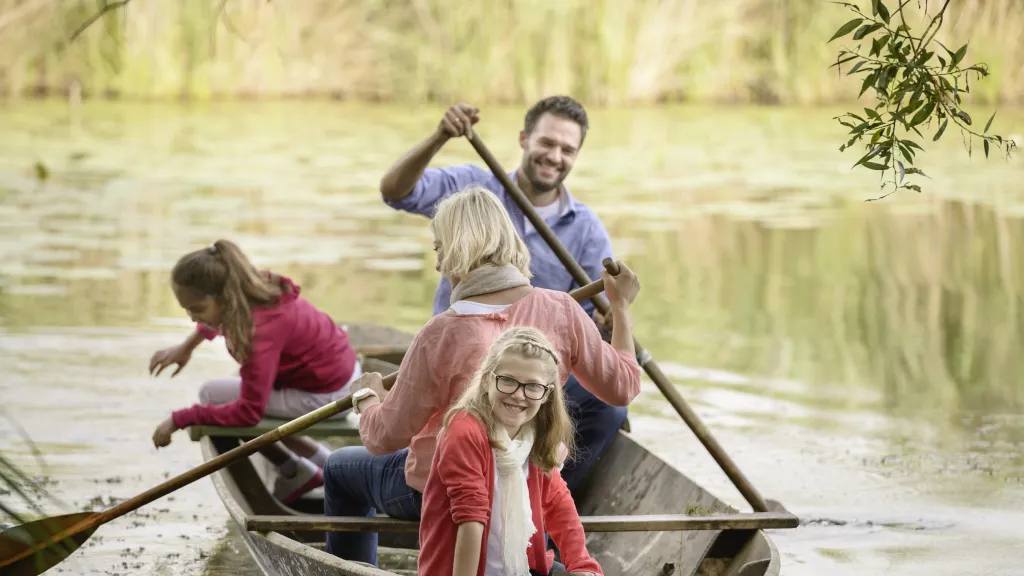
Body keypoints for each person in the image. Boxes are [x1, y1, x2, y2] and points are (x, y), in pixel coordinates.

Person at [323, 185, 641, 566]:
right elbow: (623, 386)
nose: (439, 265)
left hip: (443, 490)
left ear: (460, 249)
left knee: (339, 466)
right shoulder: (563, 309)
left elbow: (382, 438)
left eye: (439, 250)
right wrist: (620, 309)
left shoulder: (441, 333)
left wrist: (368, 398)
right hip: (532, 483)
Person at [378, 95, 626, 494]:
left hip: (526, 378)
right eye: (547, 142)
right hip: (454, 360)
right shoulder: (473, 190)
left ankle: (547, 496)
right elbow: (395, 191)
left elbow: (585, 323)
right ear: (524, 139)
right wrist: (440, 136)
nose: (554, 156)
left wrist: (610, 319)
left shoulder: (587, 230)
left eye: (567, 149)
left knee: (610, 405)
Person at [149, 239, 362, 504]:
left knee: (213, 396)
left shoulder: (258, 331)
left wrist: (179, 419)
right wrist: (187, 346)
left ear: (225, 298)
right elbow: (216, 317)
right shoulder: (252, 288)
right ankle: (327, 466)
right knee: (222, 394)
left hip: (329, 395)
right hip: (341, 373)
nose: (192, 318)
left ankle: (294, 470)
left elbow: (249, 412)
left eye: (197, 309)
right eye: (187, 310)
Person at [418, 326, 602, 576]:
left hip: (520, 568)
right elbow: (471, 518)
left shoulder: (535, 433)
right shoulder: (464, 430)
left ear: (547, 394)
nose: (518, 395)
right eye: (507, 381)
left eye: (532, 387)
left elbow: (557, 503)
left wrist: (582, 564)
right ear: (486, 379)